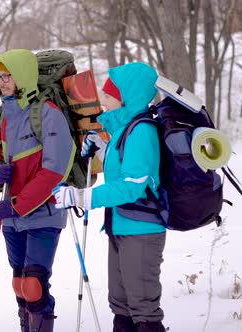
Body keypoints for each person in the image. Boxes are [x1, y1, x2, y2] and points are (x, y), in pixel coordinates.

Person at [53, 62, 166, 332]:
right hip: (121, 225)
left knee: (142, 307)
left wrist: (81, 197)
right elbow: (125, 171)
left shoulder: (141, 131)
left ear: (126, 97)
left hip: (142, 230)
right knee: (121, 304)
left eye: (108, 94)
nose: (102, 100)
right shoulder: (124, 131)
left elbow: (131, 186)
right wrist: (104, 149)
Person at [0, 49, 75, 332]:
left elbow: (54, 170)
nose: (3, 82)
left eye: (8, 75)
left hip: (44, 212)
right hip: (11, 217)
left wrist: (18, 204)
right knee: (20, 284)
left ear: (22, 75)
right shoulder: (3, 116)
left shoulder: (48, 112)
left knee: (34, 284)